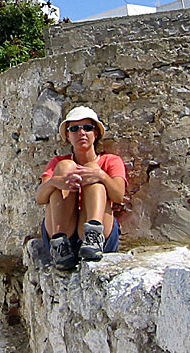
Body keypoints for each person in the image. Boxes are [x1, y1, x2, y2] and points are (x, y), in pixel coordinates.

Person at [35, 106, 127, 270]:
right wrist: (56, 182)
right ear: (68, 136)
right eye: (74, 129)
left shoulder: (110, 161)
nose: (81, 132)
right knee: (64, 168)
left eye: (87, 128)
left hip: (97, 235)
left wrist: (101, 176)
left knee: (94, 173)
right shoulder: (58, 162)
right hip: (64, 232)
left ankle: (93, 236)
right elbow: (40, 198)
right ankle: (60, 244)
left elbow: (119, 196)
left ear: (96, 133)